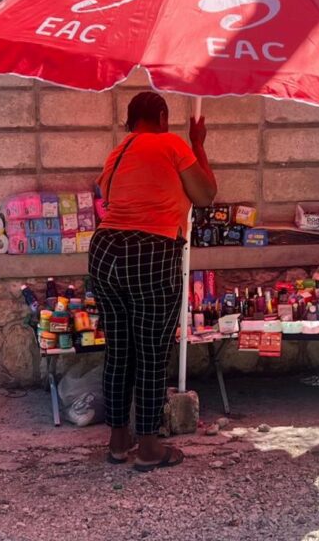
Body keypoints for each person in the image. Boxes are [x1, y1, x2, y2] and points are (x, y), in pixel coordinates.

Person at [88, 91, 217, 472]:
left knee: (119, 351)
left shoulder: (118, 150)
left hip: (104, 251)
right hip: (151, 251)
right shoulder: (171, 144)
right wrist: (198, 143)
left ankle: (118, 440)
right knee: (151, 354)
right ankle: (148, 447)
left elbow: (108, 197)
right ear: (162, 115)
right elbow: (206, 195)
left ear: (130, 121)